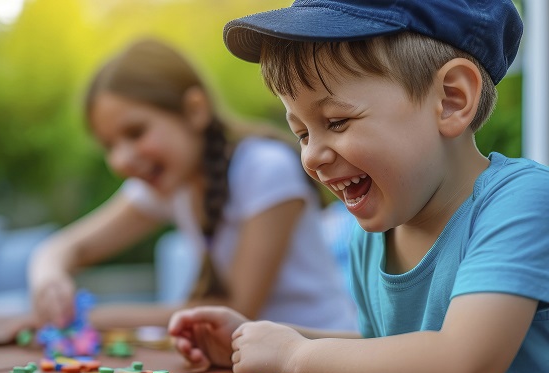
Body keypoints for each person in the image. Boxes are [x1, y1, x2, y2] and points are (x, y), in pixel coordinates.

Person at [169, 0, 549, 373]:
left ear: (452, 99)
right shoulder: (375, 232)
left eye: (336, 122)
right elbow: (387, 353)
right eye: (301, 133)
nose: (311, 156)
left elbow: (461, 367)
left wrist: (295, 355)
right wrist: (259, 340)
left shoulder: (520, 200)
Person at [28, 38, 358, 333]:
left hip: (321, 365)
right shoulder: (170, 184)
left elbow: (232, 312)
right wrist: (50, 277)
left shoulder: (265, 168)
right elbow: (66, 247)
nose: (120, 161)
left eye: (135, 132)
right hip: (242, 370)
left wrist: (90, 316)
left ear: (194, 110)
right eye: (109, 146)